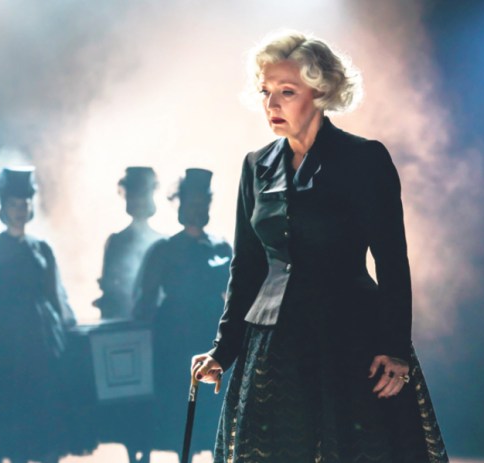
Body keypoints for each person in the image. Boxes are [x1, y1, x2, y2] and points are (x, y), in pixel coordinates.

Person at [191, 31, 449, 463]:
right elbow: (248, 268)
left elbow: (391, 260)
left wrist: (396, 348)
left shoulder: (365, 159)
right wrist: (224, 349)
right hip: (273, 346)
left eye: (287, 92)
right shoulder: (255, 166)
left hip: (349, 339)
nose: (272, 104)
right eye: (266, 91)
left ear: (321, 92)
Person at [0, 167, 87, 463]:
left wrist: (68, 331)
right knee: (6, 417)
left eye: (24, 204)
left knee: (45, 417)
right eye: (13, 205)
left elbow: (55, 295)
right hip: (6, 336)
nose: (20, 211)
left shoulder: (42, 249)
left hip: (41, 337)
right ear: (3, 207)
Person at [133, 168, 232, 461]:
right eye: (191, 202)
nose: (197, 209)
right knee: (178, 410)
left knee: (214, 411)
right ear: (180, 205)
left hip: (211, 336)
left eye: (203, 202)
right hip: (174, 340)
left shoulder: (221, 247)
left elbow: (235, 295)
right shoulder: (164, 250)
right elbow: (145, 301)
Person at [94, 166, 163, 319]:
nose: (138, 201)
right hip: (122, 321)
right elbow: (109, 290)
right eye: (134, 195)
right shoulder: (116, 242)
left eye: (142, 194)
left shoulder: (162, 244)